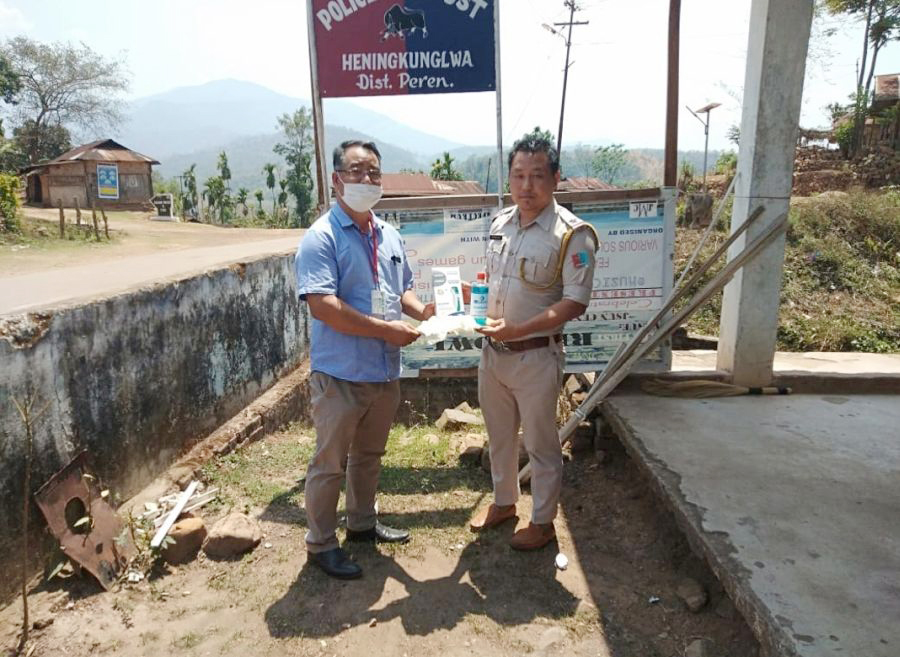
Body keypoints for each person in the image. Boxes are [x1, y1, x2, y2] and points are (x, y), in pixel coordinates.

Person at [295, 140, 434, 579]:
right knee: (330, 462)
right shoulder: (321, 237)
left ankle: (361, 525)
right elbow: (323, 306)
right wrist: (386, 330)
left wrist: (424, 311)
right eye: (357, 171)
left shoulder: (388, 234)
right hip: (340, 373)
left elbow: (402, 289)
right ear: (337, 179)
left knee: (369, 455)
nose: (367, 179)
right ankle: (319, 544)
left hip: (382, 370)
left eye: (374, 172)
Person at [469, 134, 598, 551]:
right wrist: (469, 305)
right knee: (500, 436)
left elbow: (574, 303)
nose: (526, 186)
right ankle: (505, 502)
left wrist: (518, 331)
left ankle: (542, 522)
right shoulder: (499, 223)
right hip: (493, 355)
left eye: (537, 176)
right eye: (518, 175)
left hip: (536, 357)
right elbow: (493, 282)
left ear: (556, 178)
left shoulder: (572, 236)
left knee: (542, 445)